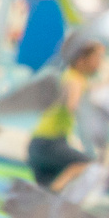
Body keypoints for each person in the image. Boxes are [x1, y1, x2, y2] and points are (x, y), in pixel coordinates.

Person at [27, 40, 101, 189]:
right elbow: (73, 105)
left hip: (40, 145)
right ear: (81, 60)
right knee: (89, 165)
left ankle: (49, 196)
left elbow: (91, 91)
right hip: (49, 144)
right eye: (97, 57)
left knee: (47, 198)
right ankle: (52, 193)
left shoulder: (70, 76)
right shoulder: (75, 79)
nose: (100, 62)